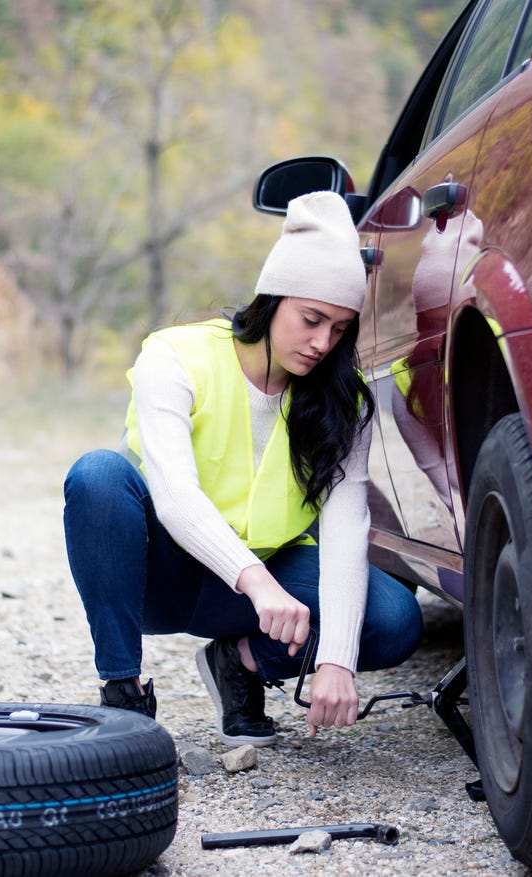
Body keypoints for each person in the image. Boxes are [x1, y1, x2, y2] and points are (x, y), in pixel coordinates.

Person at [63, 191, 423, 746]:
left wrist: (336, 660)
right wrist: (258, 586)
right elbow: (174, 492)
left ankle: (241, 664)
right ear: (273, 298)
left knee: (394, 620)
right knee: (98, 475)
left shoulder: (340, 403)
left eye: (340, 328)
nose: (322, 343)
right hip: (162, 575)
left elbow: (347, 528)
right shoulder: (175, 356)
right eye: (311, 319)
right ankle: (123, 693)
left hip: (262, 589)